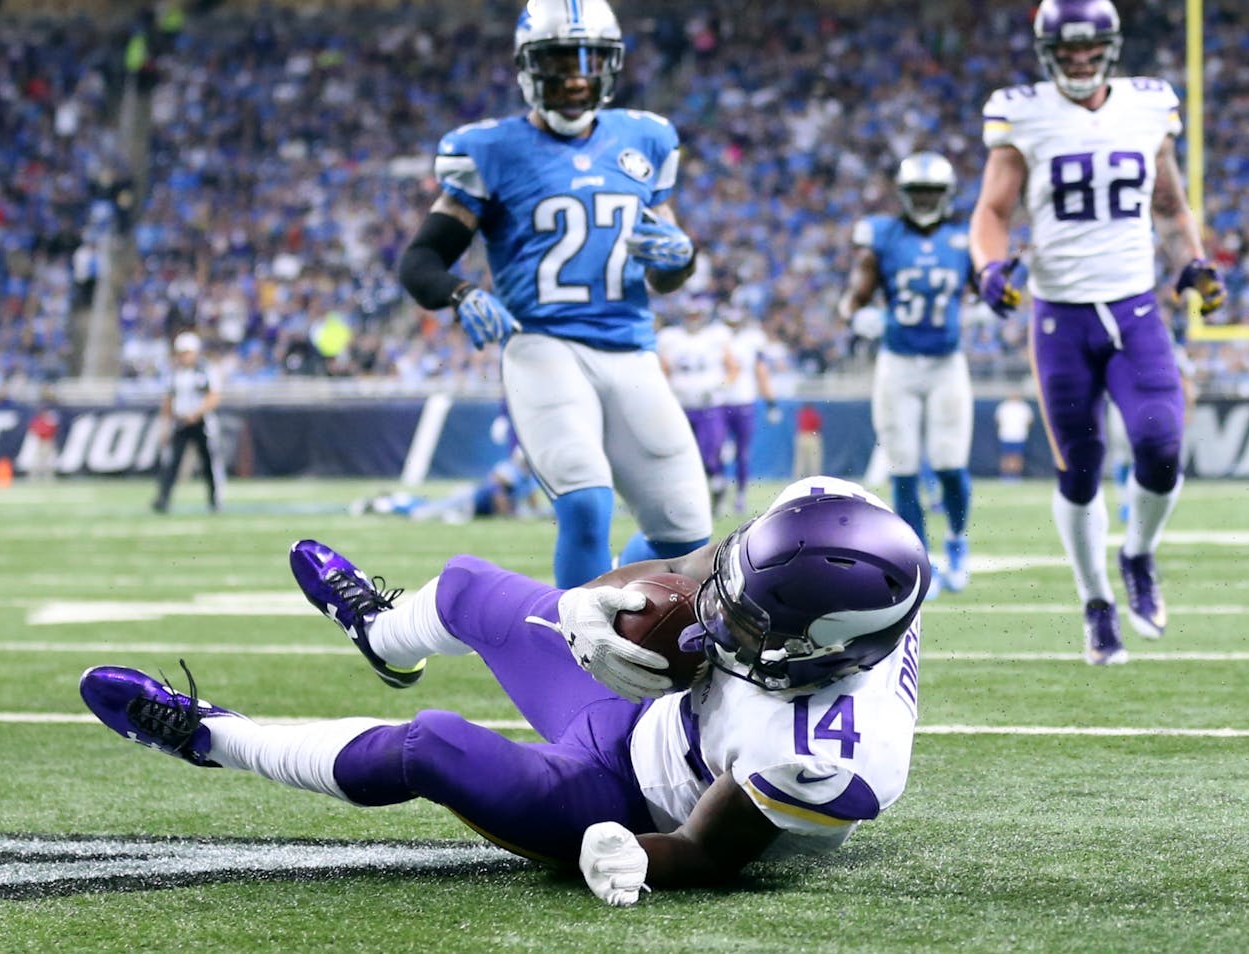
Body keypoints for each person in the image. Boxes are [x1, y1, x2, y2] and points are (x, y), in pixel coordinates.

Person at [80, 476, 929, 907]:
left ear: (819, 655)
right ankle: (381, 634)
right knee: (466, 588)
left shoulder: (828, 756)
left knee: (428, 745)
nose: (718, 615)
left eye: (746, 625)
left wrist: (633, 851)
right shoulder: (832, 524)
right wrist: (589, 608)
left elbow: (710, 853)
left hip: (629, 796)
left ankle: (204, 735)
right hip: (643, 715)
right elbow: (690, 571)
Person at [396, 0, 710, 588]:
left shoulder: (646, 140)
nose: (575, 77)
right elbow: (421, 260)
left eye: (590, 61)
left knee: (686, 532)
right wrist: (462, 292)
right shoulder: (490, 150)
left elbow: (665, 273)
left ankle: (612, 593)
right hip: (542, 345)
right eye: (562, 60)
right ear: (527, 67)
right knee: (586, 502)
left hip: (630, 348)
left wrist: (681, 259)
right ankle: (578, 664)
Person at [969, 0, 1226, 664]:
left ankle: (1138, 553)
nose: (1080, 64)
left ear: (1110, 49)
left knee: (1161, 444)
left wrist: (1193, 261)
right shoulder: (1022, 111)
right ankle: (1096, 601)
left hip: (1135, 307)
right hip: (1060, 315)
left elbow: (1170, 203)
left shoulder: (1147, 104)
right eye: (1068, 53)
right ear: (1047, 54)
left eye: (1090, 52)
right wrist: (990, 266)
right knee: (1079, 468)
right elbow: (992, 210)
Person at [837, 150, 975, 595]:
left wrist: (997, 300)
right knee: (904, 466)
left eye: (932, 191)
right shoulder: (883, 236)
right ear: (902, 194)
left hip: (946, 363)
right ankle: (919, 555)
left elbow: (989, 288)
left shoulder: (964, 237)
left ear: (947, 193)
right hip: (897, 363)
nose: (925, 199)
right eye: (917, 192)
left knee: (951, 462)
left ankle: (957, 542)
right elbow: (853, 296)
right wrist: (855, 318)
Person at [656, 294, 735, 513]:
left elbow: (732, 368)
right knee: (679, 455)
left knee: (710, 454)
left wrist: (719, 386)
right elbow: (663, 370)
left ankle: (717, 495)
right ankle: (685, 500)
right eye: (689, 314)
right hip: (681, 406)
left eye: (696, 314)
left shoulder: (717, 336)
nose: (693, 318)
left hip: (709, 406)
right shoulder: (670, 337)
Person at [351, 447, 547, 524]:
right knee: (421, 513)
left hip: (470, 506)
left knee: (426, 507)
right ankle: (381, 504)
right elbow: (497, 489)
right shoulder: (508, 471)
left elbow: (534, 506)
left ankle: (393, 498)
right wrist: (510, 515)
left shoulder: (527, 479)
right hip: (467, 502)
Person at [718, 298, 781, 515]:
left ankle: (738, 495)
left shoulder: (751, 339)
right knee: (718, 452)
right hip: (718, 403)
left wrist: (771, 400)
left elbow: (761, 371)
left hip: (742, 401)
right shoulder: (715, 337)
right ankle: (722, 494)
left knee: (741, 453)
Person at [152, 331, 225, 514]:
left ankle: (214, 499)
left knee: (208, 463)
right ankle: (163, 498)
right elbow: (168, 400)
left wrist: (196, 413)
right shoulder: (174, 373)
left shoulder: (206, 370)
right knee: (172, 462)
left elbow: (214, 397)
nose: (184, 356)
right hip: (181, 422)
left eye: (187, 352)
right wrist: (164, 426)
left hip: (202, 423)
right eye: (181, 352)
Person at [994, 390, 1036, 481]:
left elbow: (1030, 421)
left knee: (1017, 456)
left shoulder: (1024, 407)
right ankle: (1005, 476)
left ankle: (1016, 476)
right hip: (1006, 435)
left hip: (1019, 436)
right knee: (1006, 456)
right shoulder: (1004, 406)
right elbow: (998, 420)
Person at [795, 402, 824, 479]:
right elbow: (818, 425)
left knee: (801, 460)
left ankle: (799, 478)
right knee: (814, 460)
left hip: (801, 436)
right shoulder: (814, 414)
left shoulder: (800, 414)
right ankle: (815, 478)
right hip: (812, 436)